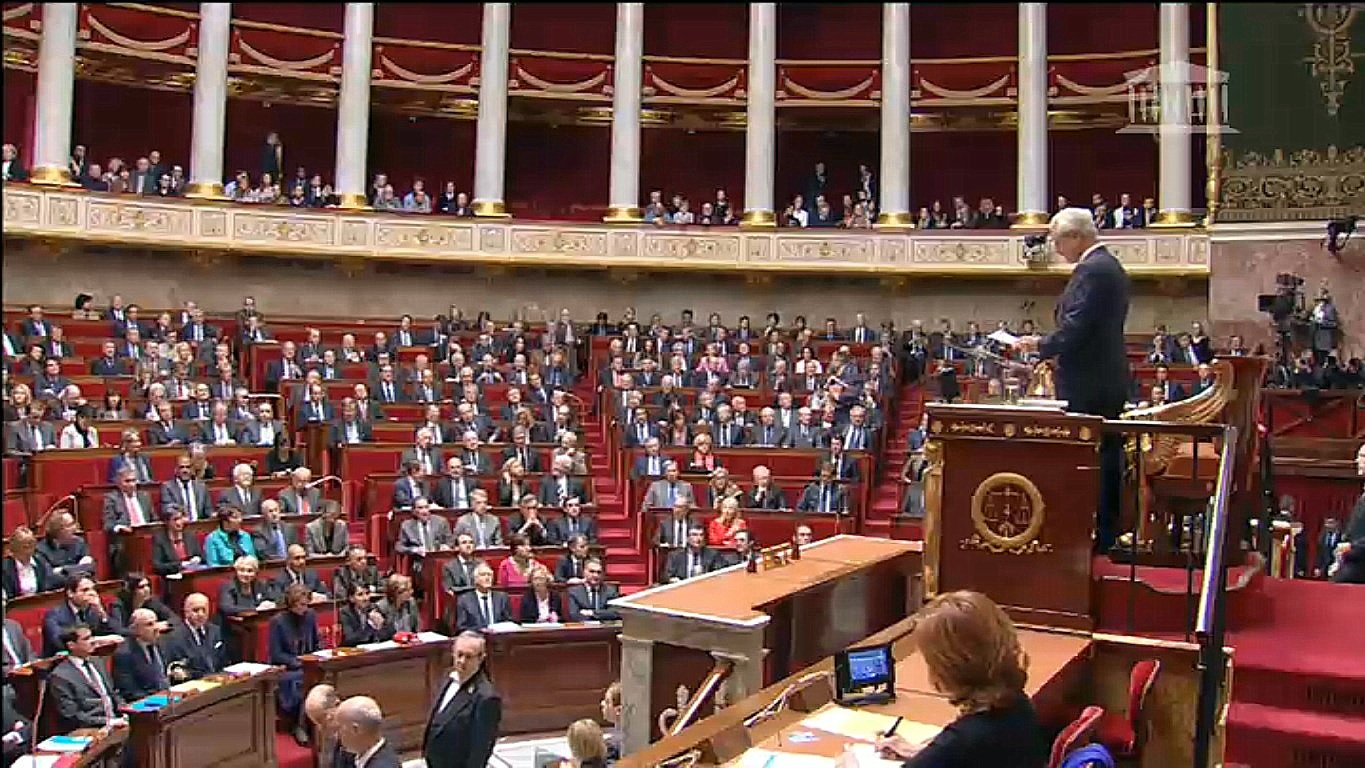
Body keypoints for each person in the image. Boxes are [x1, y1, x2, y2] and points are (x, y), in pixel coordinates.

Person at [1015, 208, 1130, 553]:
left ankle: (1093, 534)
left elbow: (1078, 328)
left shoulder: (1093, 270)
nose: (1056, 248)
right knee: (1102, 454)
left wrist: (1041, 345)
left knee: (1092, 456)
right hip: (1101, 376)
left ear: (1077, 237)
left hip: (1090, 381)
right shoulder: (1107, 266)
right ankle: (1098, 531)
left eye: (1057, 240)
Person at [846, 591, 1046, 768]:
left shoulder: (964, 739)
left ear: (948, 666)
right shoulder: (1017, 704)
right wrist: (922, 753)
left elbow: (960, 750)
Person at [422, 631, 502, 768]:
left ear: (481, 658)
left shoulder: (486, 698)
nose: (462, 661)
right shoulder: (449, 677)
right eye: (459, 655)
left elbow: (479, 751)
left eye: (469, 657)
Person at [49, 624, 127, 732]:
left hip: (117, 721)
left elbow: (113, 693)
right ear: (71, 645)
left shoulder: (98, 662)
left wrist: (125, 710)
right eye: (86, 639)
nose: (93, 641)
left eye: (91, 637)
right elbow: (72, 716)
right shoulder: (60, 676)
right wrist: (108, 722)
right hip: (91, 729)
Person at [270, 583, 321, 745]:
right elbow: (276, 654)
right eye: (301, 605)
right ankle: (300, 726)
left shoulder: (311, 615)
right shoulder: (278, 621)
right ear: (291, 604)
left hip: (309, 665)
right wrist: (299, 663)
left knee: (319, 676)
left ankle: (314, 724)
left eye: (307, 604)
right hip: (288, 668)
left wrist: (319, 656)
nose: (304, 608)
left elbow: (316, 643)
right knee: (302, 680)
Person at [163, 593, 226, 680]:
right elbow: (178, 669)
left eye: (204, 610)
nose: (200, 614)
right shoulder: (175, 637)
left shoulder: (215, 630)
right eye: (196, 610)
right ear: (186, 611)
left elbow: (223, 660)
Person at [111, 607, 169, 701]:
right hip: (146, 704)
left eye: (156, 622)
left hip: (167, 697)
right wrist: (158, 699)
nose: (156, 628)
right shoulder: (124, 654)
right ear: (134, 629)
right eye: (149, 624)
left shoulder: (160, 644)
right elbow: (129, 692)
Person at [336, 696, 402, 768]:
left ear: (356, 730)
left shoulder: (383, 765)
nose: (337, 734)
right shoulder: (356, 755)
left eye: (340, 728)